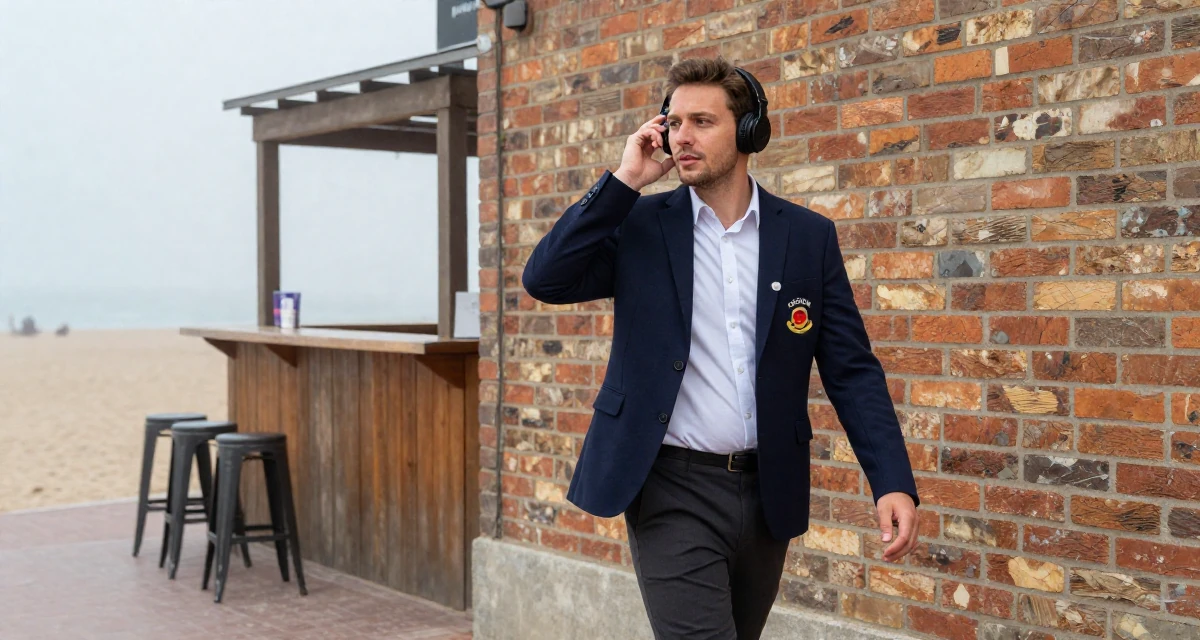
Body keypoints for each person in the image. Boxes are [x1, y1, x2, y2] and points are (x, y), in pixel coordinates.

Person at [521, 57, 920, 640]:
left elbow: (852, 369)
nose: (682, 136)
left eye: (701, 121)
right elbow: (545, 279)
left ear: (749, 130)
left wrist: (891, 480)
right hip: (670, 486)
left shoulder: (806, 237)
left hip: (768, 491)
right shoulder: (639, 225)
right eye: (673, 121)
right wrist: (624, 182)